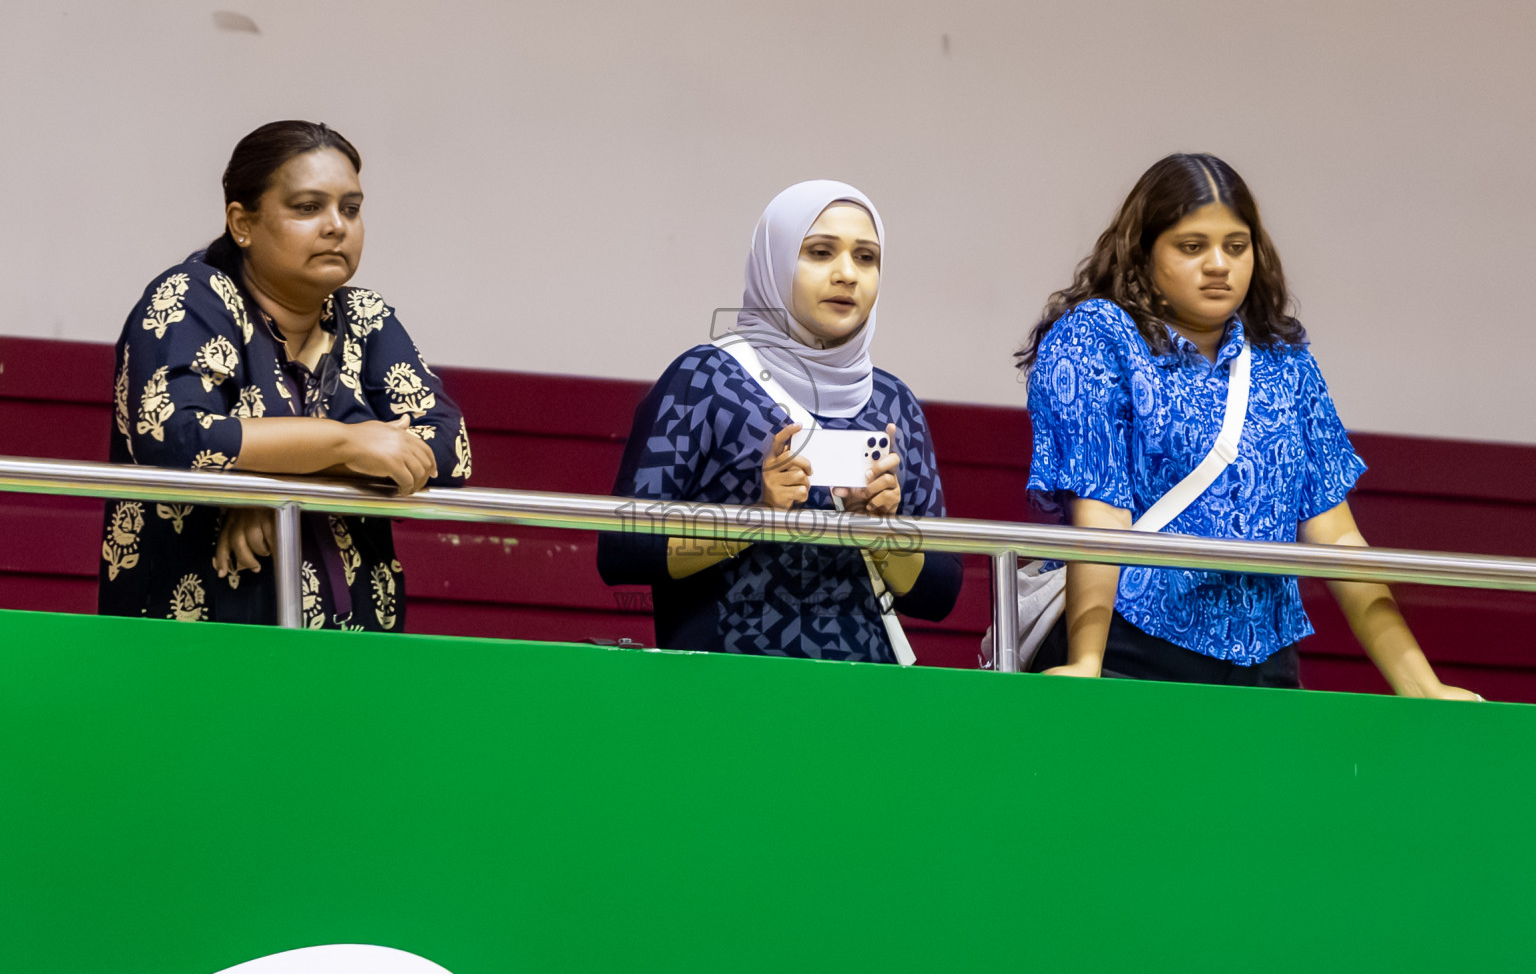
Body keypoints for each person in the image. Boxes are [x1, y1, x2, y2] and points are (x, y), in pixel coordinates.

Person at [1017, 153, 1477, 698]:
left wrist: (1421, 685)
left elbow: (1338, 535)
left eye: (1236, 247)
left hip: (1265, 662)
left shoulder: (1286, 360)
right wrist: (1086, 662)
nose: (1219, 264)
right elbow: (1102, 508)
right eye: (1192, 247)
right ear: (1142, 255)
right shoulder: (1096, 336)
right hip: (1131, 645)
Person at [99, 120, 472, 630]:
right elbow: (177, 435)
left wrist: (279, 483)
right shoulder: (193, 297)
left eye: (351, 208)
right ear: (242, 223)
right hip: (195, 645)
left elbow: (449, 448)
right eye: (307, 207)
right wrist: (344, 444)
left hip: (357, 650)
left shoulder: (366, 318)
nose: (336, 225)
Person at [597, 180, 961, 661]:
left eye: (866, 257)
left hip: (863, 707)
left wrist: (880, 533)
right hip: (724, 699)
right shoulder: (704, 379)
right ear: (776, 261)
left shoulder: (894, 402)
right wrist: (754, 518)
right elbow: (622, 550)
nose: (847, 274)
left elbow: (939, 594)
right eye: (820, 252)